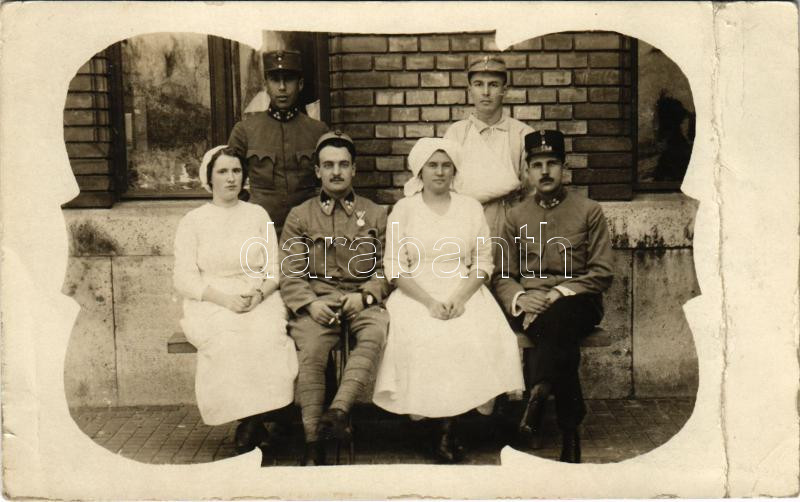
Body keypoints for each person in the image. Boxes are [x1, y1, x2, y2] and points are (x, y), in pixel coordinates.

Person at [372, 137, 524, 463]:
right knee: (422, 334)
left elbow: (483, 262)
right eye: (432, 165)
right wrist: (428, 302)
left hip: (463, 286)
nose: (440, 172)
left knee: (471, 331)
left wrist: (460, 297)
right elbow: (395, 268)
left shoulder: (469, 208)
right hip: (415, 290)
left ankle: (449, 426)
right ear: (420, 171)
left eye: (446, 166)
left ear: (454, 171)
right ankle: (434, 425)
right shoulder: (404, 209)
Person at [493, 130, 615, 463]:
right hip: (530, 306)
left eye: (552, 164)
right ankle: (569, 430)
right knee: (558, 334)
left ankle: (540, 387)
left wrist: (558, 293)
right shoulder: (515, 216)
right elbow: (503, 273)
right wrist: (519, 298)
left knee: (559, 318)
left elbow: (602, 272)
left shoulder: (589, 211)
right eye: (537, 165)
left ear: (563, 168)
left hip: (578, 301)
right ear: (528, 172)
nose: (544, 171)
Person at [173, 145, 298, 463]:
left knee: (266, 335)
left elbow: (275, 269)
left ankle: (252, 423)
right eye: (223, 172)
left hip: (257, 295)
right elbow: (184, 279)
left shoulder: (257, 215)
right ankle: (250, 424)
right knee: (228, 337)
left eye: (236, 171)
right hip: (212, 299)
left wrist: (258, 295)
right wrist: (224, 298)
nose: (231, 178)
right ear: (209, 178)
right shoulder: (194, 220)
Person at [279, 131, 390, 466]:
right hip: (318, 299)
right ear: (317, 172)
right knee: (311, 349)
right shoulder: (300, 216)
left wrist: (367, 296)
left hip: (361, 299)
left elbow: (388, 266)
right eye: (328, 165)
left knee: (374, 333)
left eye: (343, 164)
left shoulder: (375, 214)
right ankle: (313, 442)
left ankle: (338, 413)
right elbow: (290, 271)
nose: (336, 171)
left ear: (354, 170)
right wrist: (310, 303)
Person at [227, 50, 328, 230]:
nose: (282, 87)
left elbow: (328, 184)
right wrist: (246, 212)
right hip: (260, 229)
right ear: (266, 85)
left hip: (307, 230)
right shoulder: (245, 130)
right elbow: (230, 179)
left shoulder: (318, 131)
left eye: (289, 79)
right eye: (275, 80)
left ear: (300, 84)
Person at [444, 55, 534, 236]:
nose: (486, 92)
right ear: (470, 90)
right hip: (464, 226)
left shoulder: (522, 134)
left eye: (493, 85)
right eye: (478, 84)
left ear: (504, 90)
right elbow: (445, 188)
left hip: (509, 226)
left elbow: (532, 193)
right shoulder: (456, 134)